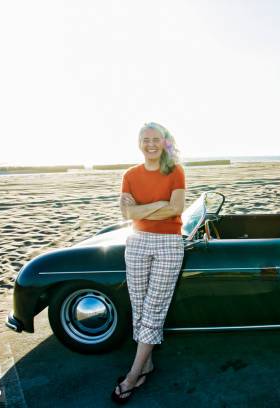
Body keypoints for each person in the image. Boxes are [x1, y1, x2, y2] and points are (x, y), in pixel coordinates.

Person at [111, 122, 186, 404]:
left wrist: (141, 209)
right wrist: (158, 205)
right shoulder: (130, 175)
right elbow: (127, 214)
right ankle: (148, 364)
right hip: (138, 241)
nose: (151, 144)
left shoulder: (175, 171)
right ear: (139, 143)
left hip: (169, 244)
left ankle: (132, 376)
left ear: (164, 142)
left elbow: (176, 208)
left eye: (156, 139)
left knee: (155, 306)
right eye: (146, 139)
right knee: (139, 306)